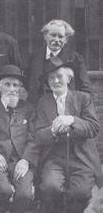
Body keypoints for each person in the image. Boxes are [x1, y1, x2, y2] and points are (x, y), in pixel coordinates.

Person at [35, 57, 102, 213]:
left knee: (81, 192)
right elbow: (38, 135)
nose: (55, 80)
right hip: (54, 158)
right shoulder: (43, 102)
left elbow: (93, 128)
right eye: (51, 78)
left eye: (59, 76)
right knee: (50, 188)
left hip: (81, 157)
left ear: (69, 78)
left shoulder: (82, 98)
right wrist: (52, 129)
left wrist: (72, 120)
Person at [0, 65, 39, 213]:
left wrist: (26, 159)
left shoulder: (29, 109)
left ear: (20, 88)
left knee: (25, 194)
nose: (11, 89)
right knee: (2, 191)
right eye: (7, 84)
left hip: (21, 161)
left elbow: (34, 138)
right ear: (0, 87)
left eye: (15, 85)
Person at [26, 19, 92, 105]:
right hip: (37, 108)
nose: (56, 40)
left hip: (65, 109)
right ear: (45, 36)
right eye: (53, 35)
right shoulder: (34, 57)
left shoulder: (75, 59)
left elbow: (85, 89)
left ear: (66, 39)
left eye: (60, 36)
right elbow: (27, 82)